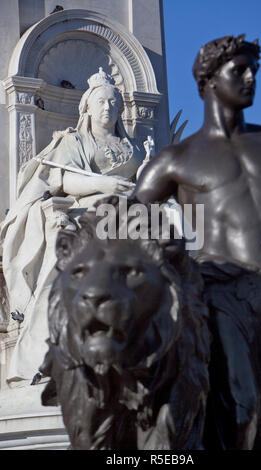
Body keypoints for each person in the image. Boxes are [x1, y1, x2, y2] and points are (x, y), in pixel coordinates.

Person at [134, 35, 261, 448]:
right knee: (245, 408)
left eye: (254, 71)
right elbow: (124, 227)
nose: (251, 78)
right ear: (208, 79)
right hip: (226, 298)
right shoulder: (174, 161)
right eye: (239, 70)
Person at [1, 68, 143, 382]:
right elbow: (62, 177)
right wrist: (105, 186)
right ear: (88, 107)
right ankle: (45, 351)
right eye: (102, 102)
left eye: (113, 102)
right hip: (85, 211)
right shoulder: (74, 140)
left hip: (130, 212)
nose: (108, 107)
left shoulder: (131, 147)